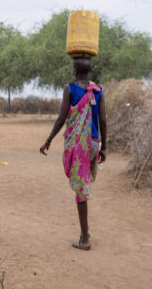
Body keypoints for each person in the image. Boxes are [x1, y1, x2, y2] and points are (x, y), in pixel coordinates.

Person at [40, 57, 107, 250]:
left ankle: (85, 238)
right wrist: (104, 147)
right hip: (93, 143)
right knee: (83, 186)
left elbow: (62, 118)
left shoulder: (70, 89)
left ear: (75, 70)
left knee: (81, 190)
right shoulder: (98, 90)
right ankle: (84, 233)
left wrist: (49, 139)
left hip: (79, 146)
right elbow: (103, 121)